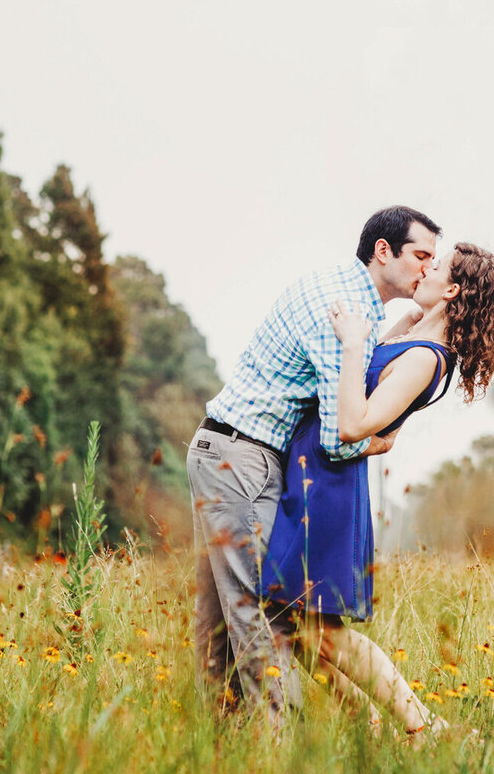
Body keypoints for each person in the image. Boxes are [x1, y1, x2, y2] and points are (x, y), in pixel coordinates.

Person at [188, 206, 440, 729]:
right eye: (420, 256)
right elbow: (337, 438)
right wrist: (378, 443)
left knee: (220, 616)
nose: (426, 269)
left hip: (237, 455)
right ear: (383, 251)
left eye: (434, 261)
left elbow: (364, 359)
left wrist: (412, 321)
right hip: (240, 458)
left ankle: (222, 741)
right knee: (257, 611)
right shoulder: (343, 313)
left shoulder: (352, 304)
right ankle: (277, 743)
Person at [260, 242, 494, 736]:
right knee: (291, 625)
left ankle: (423, 727)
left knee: (321, 632)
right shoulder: (411, 336)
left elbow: (356, 425)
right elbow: (384, 430)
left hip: (328, 491)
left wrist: (355, 345)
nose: (424, 269)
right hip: (314, 476)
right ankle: (371, 727)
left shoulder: (425, 357)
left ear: (454, 289)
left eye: (434, 265)